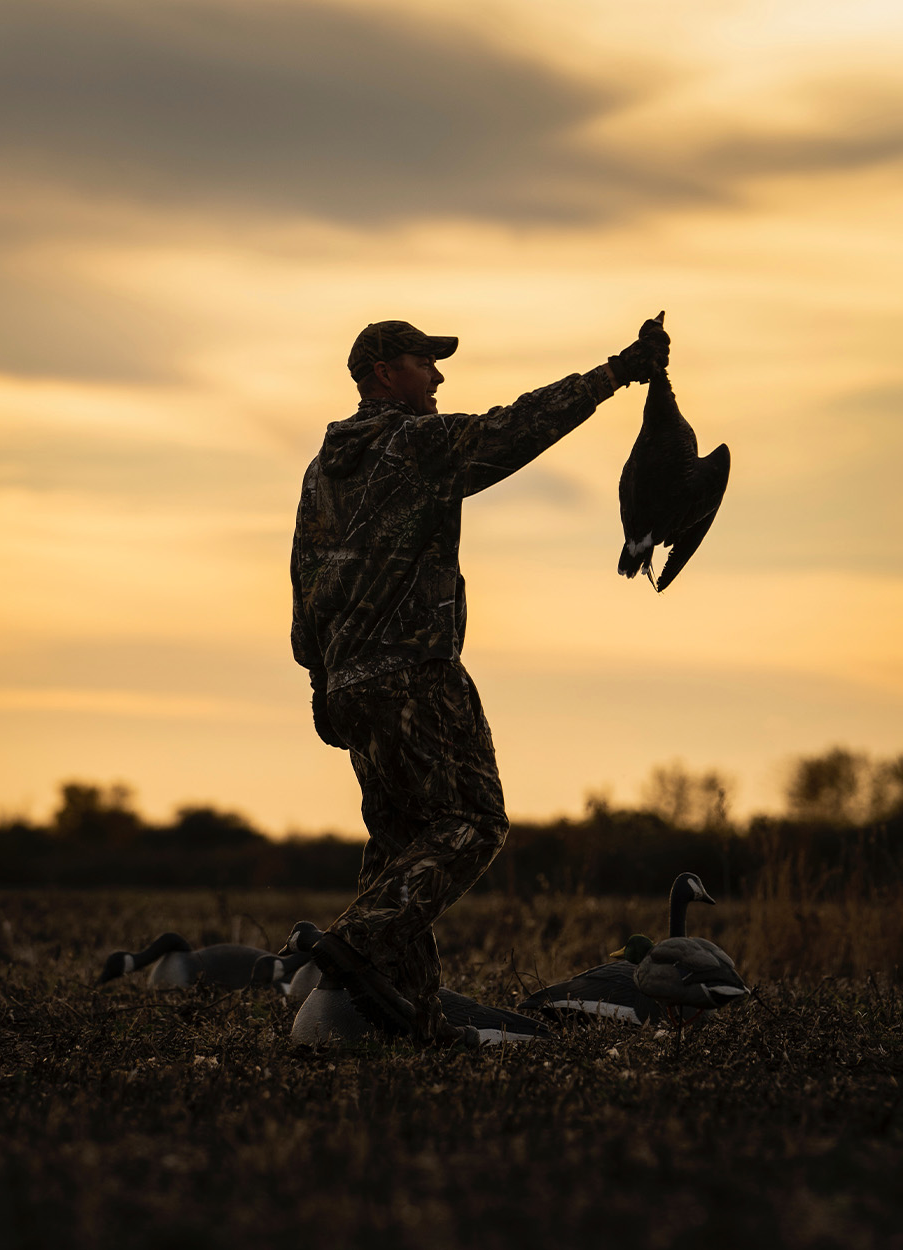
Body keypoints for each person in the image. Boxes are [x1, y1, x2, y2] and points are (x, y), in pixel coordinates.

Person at [287, 315, 670, 1045]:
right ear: (381, 373)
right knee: (473, 823)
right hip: (415, 671)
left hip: (351, 682)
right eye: (422, 362)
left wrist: (320, 679)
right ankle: (351, 944)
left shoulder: (321, 470)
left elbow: (304, 576)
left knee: (402, 848)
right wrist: (614, 374)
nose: (436, 377)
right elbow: (517, 428)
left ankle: (405, 1020)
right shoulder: (414, 444)